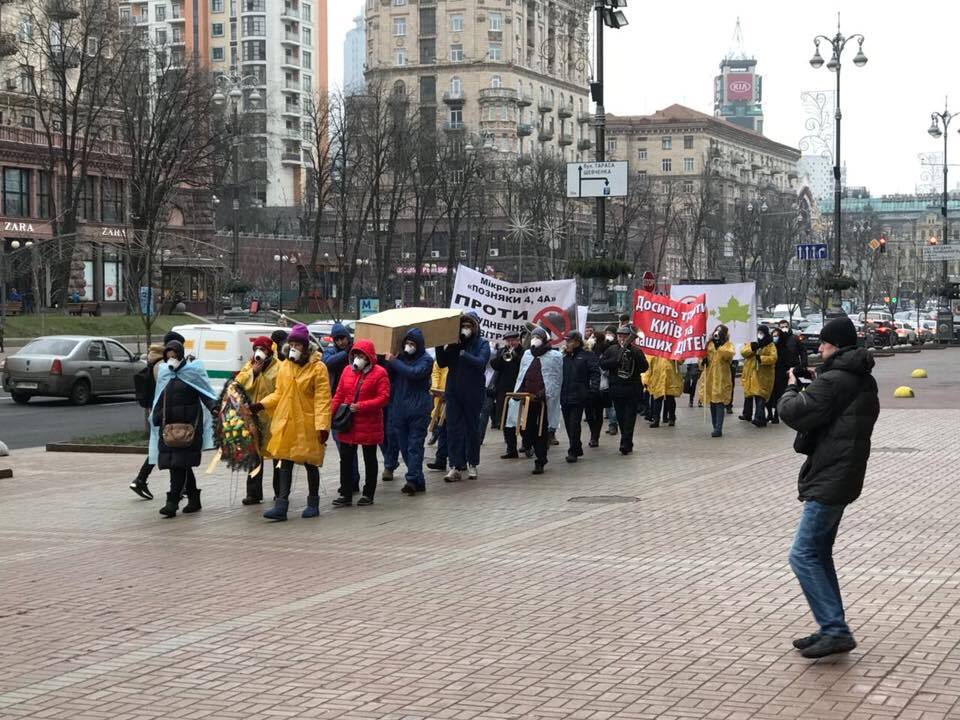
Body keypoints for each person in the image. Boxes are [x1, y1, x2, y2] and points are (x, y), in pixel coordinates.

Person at [778, 317, 879, 659]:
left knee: (802, 554)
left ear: (835, 345)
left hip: (830, 477)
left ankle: (835, 629)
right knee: (819, 553)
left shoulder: (835, 380)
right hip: (844, 474)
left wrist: (792, 387)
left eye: (823, 343)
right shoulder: (861, 379)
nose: (818, 348)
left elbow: (795, 412)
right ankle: (830, 626)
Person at [254, 324, 331, 521]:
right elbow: (279, 393)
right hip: (286, 422)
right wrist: (260, 405)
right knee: (284, 463)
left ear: (306, 347)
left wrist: (323, 426)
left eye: (299, 344)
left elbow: (322, 398)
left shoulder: (318, 367)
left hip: (307, 423)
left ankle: (313, 502)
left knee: (310, 463)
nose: (295, 347)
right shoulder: (285, 365)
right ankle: (281, 506)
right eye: (292, 343)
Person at [151, 340, 218, 518]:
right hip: (169, 429)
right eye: (168, 357)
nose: (171, 360)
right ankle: (194, 498)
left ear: (180, 355)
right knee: (181, 465)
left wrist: (214, 407)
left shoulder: (192, 373)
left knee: (178, 466)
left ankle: (172, 502)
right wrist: (156, 417)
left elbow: (205, 393)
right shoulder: (166, 374)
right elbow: (159, 397)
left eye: (174, 356)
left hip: (189, 428)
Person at [331, 339, 391, 506]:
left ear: (369, 356)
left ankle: (368, 494)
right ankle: (346, 493)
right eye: (355, 354)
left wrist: (362, 406)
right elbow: (339, 394)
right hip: (348, 422)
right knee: (346, 459)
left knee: (369, 458)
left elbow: (384, 398)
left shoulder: (380, 373)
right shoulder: (347, 371)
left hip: (369, 423)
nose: (358, 358)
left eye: (361, 355)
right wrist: (330, 413)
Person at [435, 312, 491, 482]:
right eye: (463, 326)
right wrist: (440, 346)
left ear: (475, 328)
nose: (465, 329)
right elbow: (442, 362)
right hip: (454, 391)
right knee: (453, 429)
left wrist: (464, 355)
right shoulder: (455, 344)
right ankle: (455, 466)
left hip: (473, 392)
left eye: (468, 326)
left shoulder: (482, 344)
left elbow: (481, 363)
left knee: (471, 428)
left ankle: (472, 463)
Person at [130, 331, 186, 500]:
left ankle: (143, 480)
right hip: (162, 411)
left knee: (164, 447)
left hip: (159, 409)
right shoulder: (161, 364)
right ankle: (143, 480)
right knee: (168, 447)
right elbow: (167, 387)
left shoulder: (156, 359)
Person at [382, 329, 433, 495]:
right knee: (404, 447)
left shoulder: (426, 360)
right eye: (407, 343)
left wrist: (395, 362)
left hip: (418, 409)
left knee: (414, 446)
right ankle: (419, 481)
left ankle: (411, 479)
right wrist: (389, 362)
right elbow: (390, 377)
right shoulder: (400, 358)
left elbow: (414, 373)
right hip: (399, 409)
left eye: (412, 344)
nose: (409, 347)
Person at [506, 326, 562, 474]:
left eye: (538, 337)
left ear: (544, 340)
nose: (535, 340)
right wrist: (519, 392)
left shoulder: (555, 356)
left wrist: (544, 393)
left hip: (542, 400)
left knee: (540, 431)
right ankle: (529, 444)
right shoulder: (527, 355)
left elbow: (555, 380)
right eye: (533, 337)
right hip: (528, 399)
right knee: (527, 429)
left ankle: (540, 460)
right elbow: (522, 375)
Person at [235, 336, 280, 505]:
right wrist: (253, 372)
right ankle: (253, 493)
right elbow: (238, 382)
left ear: (270, 352)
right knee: (254, 455)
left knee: (278, 456)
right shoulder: (250, 365)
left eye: (263, 349)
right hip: (253, 418)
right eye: (256, 349)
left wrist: (262, 405)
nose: (259, 352)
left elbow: (280, 392)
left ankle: (280, 492)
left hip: (272, 418)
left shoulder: (279, 368)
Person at [600, 325, 648, 455]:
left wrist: (634, 356)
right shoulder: (611, 350)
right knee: (620, 417)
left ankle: (625, 443)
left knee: (630, 417)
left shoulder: (636, 351)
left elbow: (644, 367)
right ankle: (627, 440)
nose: (622, 338)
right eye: (620, 336)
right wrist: (616, 361)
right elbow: (603, 364)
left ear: (630, 337)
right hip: (616, 389)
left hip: (632, 389)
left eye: (625, 336)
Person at [560, 331, 599, 462]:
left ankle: (572, 452)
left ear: (577, 342)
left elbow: (595, 373)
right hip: (564, 395)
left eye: (569, 341)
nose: (567, 343)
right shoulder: (564, 356)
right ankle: (577, 447)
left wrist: (593, 390)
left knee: (574, 424)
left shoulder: (587, 355)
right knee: (567, 424)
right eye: (566, 341)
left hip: (579, 395)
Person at [490, 330, 524, 458]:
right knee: (505, 420)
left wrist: (515, 356)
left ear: (518, 340)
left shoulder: (524, 351)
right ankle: (511, 449)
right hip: (503, 390)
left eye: (513, 340)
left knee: (520, 419)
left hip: (519, 389)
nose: (511, 343)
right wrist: (503, 355)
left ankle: (526, 445)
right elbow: (495, 365)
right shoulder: (502, 351)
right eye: (508, 341)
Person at [768, 320, 806, 424]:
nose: (783, 328)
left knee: (792, 389)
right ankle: (774, 413)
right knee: (776, 392)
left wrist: (803, 364)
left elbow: (802, 350)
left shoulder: (794, 338)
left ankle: (793, 410)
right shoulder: (776, 339)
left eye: (785, 326)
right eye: (781, 327)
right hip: (778, 368)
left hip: (792, 368)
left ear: (788, 327)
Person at [740, 325, 778, 427]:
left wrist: (760, 358)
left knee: (760, 396)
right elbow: (743, 352)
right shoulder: (753, 342)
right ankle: (748, 414)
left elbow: (773, 358)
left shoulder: (770, 345)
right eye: (758, 332)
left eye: (761, 332)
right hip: (751, 374)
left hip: (763, 375)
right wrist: (753, 347)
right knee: (749, 394)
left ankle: (759, 418)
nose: (759, 334)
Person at [700, 325, 734, 437]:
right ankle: (715, 426)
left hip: (721, 378)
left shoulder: (727, 345)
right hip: (710, 377)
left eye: (720, 332)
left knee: (719, 402)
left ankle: (718, 428)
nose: (717, 333)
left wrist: (720, 346)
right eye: (716, 331)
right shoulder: (709, 345)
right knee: (712, 403)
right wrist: (703, 361)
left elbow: (728, 355)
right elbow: (700, 361)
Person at [648, 356, 683, 428]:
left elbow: (681, 360)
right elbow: (649, 361)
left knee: (670, 399)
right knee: (657, 398)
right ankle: (656, 419)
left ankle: (671, 418)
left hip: (670, 376)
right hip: (658, 376)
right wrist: (647, 378)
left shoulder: (674, 346)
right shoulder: (656, 346)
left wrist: (675, 357)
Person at [426, 360, 449, 468]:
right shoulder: (440, 357)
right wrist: (436, 388)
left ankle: (460, 460)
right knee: (442, 429)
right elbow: (436, 373)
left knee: (455, 431)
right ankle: (440, 460)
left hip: (454, 395)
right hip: (440, 396)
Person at [599, 325, 619, 436]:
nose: (608, 335)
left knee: (613, 405)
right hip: (604, 379)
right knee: (608, 404)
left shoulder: (617, 347)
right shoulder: (603, 345)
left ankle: (613, 425)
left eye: (611, 333)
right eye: (607, 333)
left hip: (613, 378)